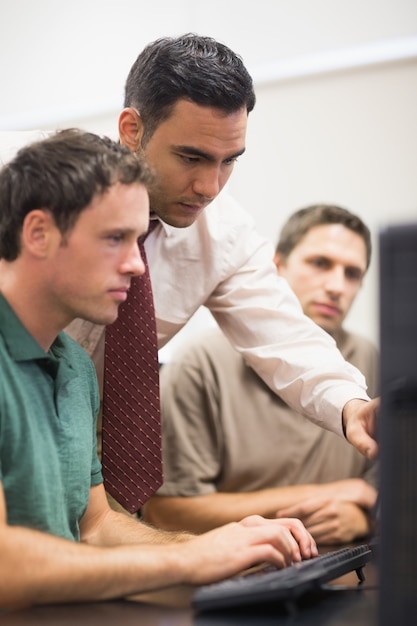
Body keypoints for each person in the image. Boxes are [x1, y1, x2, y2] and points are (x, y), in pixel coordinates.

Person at [0, 129, 317, 609]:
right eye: (114, 239)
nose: (138, 265)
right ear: (38, 233)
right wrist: (187, 562)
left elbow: (95, 528)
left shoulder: (75, 367)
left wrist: (215, 546)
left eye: (137, 240)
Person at [142, 204, 379, 544]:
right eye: (320, 263)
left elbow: (385, 491)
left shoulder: (368, 358)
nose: (336, 286)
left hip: (338, 568)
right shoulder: (201, 364)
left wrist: (364, 519)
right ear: (276, 266)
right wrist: (341, 492)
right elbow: (164, 513)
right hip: (232, 572)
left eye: (352, 274)